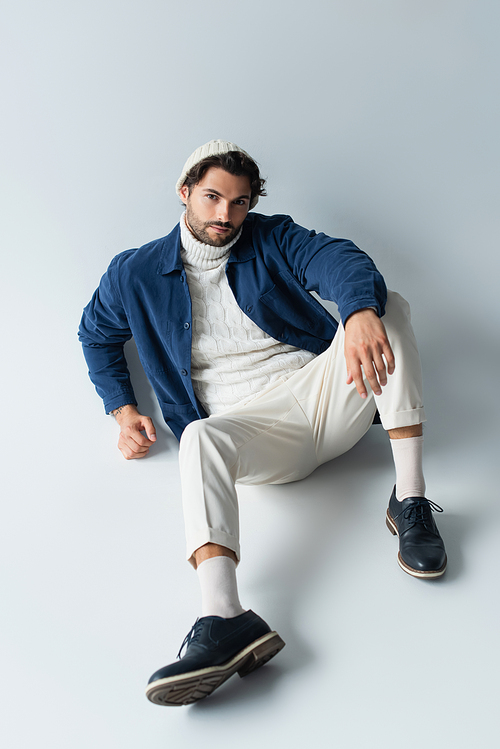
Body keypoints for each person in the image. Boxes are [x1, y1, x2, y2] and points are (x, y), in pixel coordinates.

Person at [79, 139, 446, 706]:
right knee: (198, 437)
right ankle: (225, 617)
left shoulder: (271, 237)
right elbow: (96, 334)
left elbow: (339, 259)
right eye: (212, 198)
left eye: (239, 202)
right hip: (253, 433)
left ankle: (411, 500)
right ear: (184, 193)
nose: (225, 215)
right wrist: (123, 410)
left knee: (390, 304)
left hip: (326, 397)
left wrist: (358, 309)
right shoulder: (134, 273)